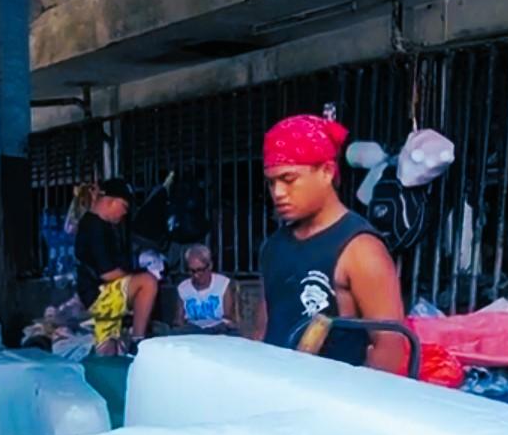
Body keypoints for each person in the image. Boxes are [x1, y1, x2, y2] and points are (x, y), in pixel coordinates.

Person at [258, 114, 407, 372]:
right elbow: (264, 328)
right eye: (272, 182)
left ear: (326, 172)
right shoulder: (273, 247)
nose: (278, 192)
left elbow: (390, 349)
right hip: (276, 393)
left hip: (331, 401)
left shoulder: (360, 249)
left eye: (289, 179)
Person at [74, 178, 158, 355]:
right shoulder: (95, 227)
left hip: (97, 292)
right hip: (100, 294)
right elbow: (108, 273)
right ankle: (138, 341)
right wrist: (136, 279)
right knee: (148, 282)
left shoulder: (96, 225)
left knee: (109, 351)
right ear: (111, 201)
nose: (124, 214)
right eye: (124, 207)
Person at [174, 244, 238, 335]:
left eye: (200, 270)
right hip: (192, 330)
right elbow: (179, 319)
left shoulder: (223, 283)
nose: (196, 275)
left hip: (218, 329)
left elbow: (228, 317)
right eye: (192, 271)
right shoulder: (183, 288)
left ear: (210, 266)